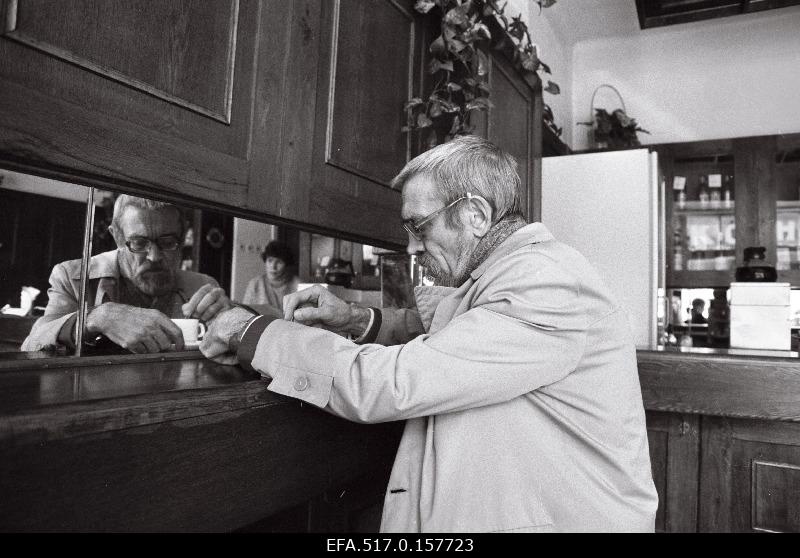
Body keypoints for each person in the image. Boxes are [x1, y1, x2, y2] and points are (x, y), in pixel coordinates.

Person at [200, 136, 658, 532]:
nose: (412, 246)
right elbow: (448, 328)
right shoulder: (513, 272)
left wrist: (252, 331)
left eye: (419, 225)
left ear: (476, 214)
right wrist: (354, 319)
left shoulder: (543, 283)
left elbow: (389, 383)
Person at [22, 194, 232, 353]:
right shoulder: (72, 276)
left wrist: (231, 322)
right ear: (117, 237)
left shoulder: (203, 286)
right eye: (140, 243)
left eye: (168, 242)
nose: (154, 257)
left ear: (183, 235)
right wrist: (96, 317)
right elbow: (32, 344)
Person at [241, 240, 298, 317]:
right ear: (265, 261)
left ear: (286, 265)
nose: (273, 267)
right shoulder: (255, 284)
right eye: (270, 261)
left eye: (279, 262)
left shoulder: (296, 284)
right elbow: (245, 314)